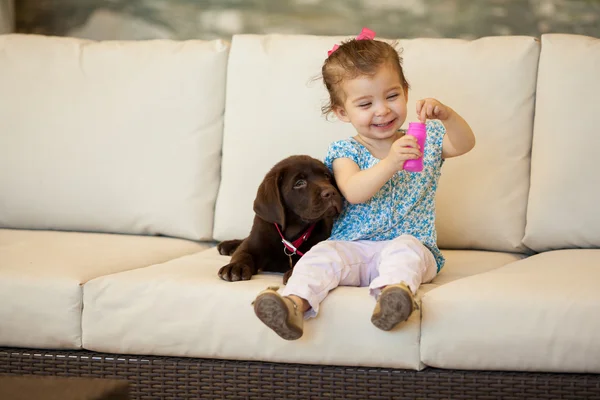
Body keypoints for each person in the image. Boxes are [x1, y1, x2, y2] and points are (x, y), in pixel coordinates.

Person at [253, 28, 476, 340]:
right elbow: (354, 192)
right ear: (342, 112)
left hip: (411, 242)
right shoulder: (345, 152)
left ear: (406, 92)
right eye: (365, 103)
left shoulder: (422, 140)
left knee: (406, 253)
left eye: (392, 96)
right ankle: (293, 303)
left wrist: (448, 116)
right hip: (354, 247)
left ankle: (393, 298)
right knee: (321, 255)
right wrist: (390, 163)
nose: (382, 110)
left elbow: (464, 144)